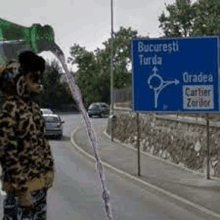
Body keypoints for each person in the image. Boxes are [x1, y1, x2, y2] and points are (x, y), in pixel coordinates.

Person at [0, 51, 55, 219]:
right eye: (34, 79)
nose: (39, 84)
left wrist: (49, 170)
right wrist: (22, 191)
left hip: (39, 188)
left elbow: (43, 144)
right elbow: (8, 155)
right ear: (19, 81)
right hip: (20, 192)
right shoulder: (9, 110)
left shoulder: (34, 109)